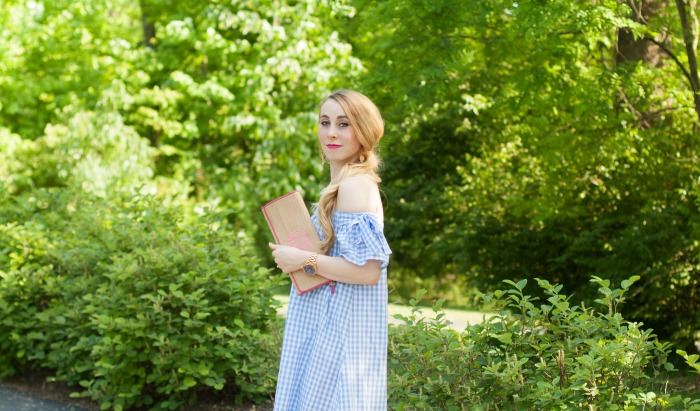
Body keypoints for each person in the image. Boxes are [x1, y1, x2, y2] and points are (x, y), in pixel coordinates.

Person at [268, 89, 392, 410]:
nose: (331, 132)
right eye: (325, 122)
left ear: (363, 132)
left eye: (344, 123)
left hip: (341, 336)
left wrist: (303, 259)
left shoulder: (356, 187)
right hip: (326, 328)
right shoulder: (343, 184)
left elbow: (367, 273)